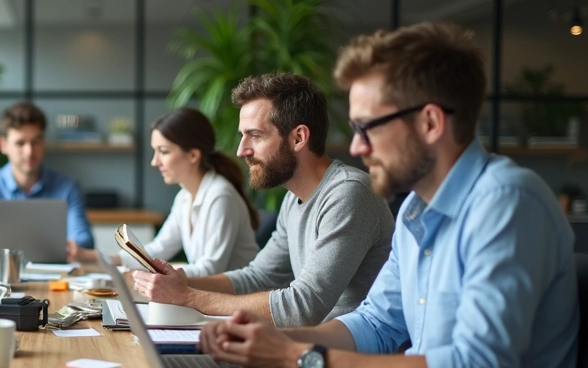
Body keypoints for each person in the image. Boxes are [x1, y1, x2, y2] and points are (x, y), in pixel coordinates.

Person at [197, 22, 578, 368]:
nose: (357, 146)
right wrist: (270, 339)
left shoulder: (505, 203)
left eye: (368, 127)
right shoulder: (417, 208)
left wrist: (296, 358)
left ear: (430, 122)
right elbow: (376, 324)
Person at [134, 73, 394, 327]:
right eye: (242, 136)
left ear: (298, 138)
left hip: (348, 357)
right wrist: (181, 282)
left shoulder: (348, 193)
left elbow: (304, 306)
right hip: (309, 347)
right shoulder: (293, 199)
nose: (241, 150)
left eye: (255, 136)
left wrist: (189, 297)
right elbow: (258, 277)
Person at [117, 107, 260, 276]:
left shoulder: (220, 196)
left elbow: (210, 270)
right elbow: (160, 248)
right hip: (210, 296)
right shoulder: (184, 196)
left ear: (193, 155)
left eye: (163, 152)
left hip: (237, 299)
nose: (155, 162)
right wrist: (109, 261)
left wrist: (156, 274)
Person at [0, 101, 94, 258]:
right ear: (3, 145)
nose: (29, 151)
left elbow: (84, 240)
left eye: (36, 141)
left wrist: (73, 248)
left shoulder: (68, 187)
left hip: (55, 277)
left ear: (43, 142)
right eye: (20, 143)